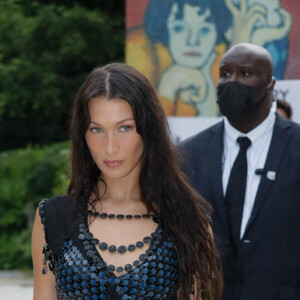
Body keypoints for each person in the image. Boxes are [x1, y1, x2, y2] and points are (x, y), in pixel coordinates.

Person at [31, 63, 223, 300]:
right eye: (96, 130)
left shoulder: (188, 220)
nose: (110, 147)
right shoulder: (52, 219)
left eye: (124, 128)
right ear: (82, 135)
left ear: (148, 129)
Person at [181, 43, 300, 300]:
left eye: (245, 73)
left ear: (270, 84)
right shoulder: (187, 155)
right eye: (225, 73)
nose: (232, 81)